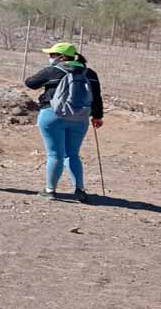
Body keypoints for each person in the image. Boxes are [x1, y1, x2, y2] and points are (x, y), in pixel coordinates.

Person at [25, 42, 104, 202]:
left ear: (61, 57)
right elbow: (97, 96)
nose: (49, 57)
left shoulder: (52, 70)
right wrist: (97, 116)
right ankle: (80, 190)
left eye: (51, 55)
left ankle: (50, 190)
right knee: (73, 154)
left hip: (52, 115)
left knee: (55, 154)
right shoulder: (90, 74)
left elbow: (30, 83)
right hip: (80, 117)